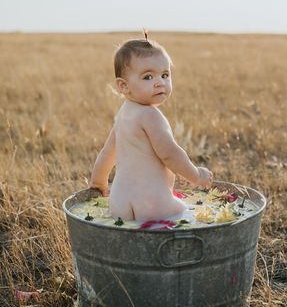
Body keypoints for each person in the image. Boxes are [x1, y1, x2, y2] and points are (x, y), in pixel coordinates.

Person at [89, 34, 213, 221]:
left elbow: (107, 153)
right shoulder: (151, 116)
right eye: (148, 77)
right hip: (153, 204)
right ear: (123, 86)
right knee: (187, 213)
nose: (160, 82)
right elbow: (169, 154)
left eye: (165, 75)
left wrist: (98, 182)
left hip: (119, 203)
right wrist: (196, 175)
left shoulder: (124, 115)